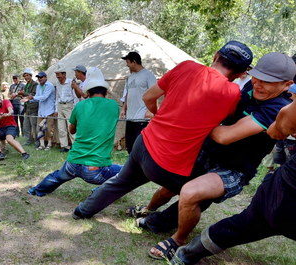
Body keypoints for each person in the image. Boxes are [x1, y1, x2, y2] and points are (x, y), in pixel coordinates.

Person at [71, 41, 253, 223]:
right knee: (200, 194)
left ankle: (82, 211)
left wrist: (160, 115)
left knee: (119, 183)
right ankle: (158, 224)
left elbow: (148, 97)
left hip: (144, 143)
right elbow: (223, 120)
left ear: (215, 55)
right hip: (169, 163)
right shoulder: (232, 93)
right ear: (240, 73)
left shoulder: (186, 67)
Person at [139, 52, 295, 261]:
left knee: (190, 193)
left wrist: (189, 114)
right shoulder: (252, 87)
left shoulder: (276, 108)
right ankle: (149, 212)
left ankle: (178, 239)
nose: (258, 84)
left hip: (234, 169)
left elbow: (224, 136)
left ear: (286, 85)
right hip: (208, 152)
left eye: (268, 82)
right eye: (257, 77)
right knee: (172, 184)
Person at [170, 95, 296, 265]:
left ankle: (185, 251)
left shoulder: (276, 105)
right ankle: (185, 250)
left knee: (246, 223)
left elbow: (279, 127)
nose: (258, 84)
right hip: (285, 189)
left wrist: (201, 121)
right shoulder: (249, 91)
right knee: (245, 224)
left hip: (282, 189)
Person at [28, 67, 122, 197]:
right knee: (125, 172)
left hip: (73, 162)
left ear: (88, 90)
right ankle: (99, 192)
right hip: (95, 169)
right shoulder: (113, 106)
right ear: (105, 90)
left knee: (56, 176)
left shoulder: (80, 106)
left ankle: (36, 190)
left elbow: (71, 129)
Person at [119, 52, 157, 153]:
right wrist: (123, 109)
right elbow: (127, 94)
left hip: (142, 118)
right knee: (130, 146)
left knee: (139, 148)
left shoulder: (148, 75)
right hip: (130, 117)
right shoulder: (130, 77)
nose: (127, 65)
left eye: (128, 62)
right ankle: (133, 167)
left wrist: (150, 111)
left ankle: (141, 168)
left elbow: (155, 94)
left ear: (134, 62)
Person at [0, 93, 29, 161]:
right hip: (1, 128)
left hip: (11, 126)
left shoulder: (6, 101)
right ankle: (0, 153)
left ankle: (24, 153)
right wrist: (3, 115)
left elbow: (10, 109)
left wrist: (9, 113)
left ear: (0, 98)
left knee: (9, 139)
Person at [22, 72, 56, 150]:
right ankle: (42, 145)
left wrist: (32, 97)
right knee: (40, 128)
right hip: (41, 111)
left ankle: (49, 144)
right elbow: (37, 98)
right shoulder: (38, 86)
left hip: (49, 110)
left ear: (45, 77)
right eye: (38, 77)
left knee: (49, 128)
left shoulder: (49, 86)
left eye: (41, 77)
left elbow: (44, 97)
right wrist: (27, 100)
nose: (39, 79)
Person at [55, 64, 77, 152]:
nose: (58, 77)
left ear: (64, 74)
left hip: (69, 105)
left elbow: (75, 96)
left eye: (59, 75)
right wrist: (56, 109)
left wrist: (75, 108)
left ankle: (75, 146)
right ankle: (64, 146)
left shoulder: (71, 82)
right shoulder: (57, 84)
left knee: (70, 126)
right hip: (60, 105)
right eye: (57, 76)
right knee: (61, 127)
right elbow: (57, 96)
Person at [21, 69, 39, 146]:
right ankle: (29, 140)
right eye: (25, 76)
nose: (26, 77)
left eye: (27, 75)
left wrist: (23, 93)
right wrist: (20, 94)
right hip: (26, 108)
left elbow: (33, 94)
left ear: (31, 75)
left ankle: (37, 141)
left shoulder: (35, 84)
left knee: (34, 125)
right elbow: (25, 96)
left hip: (33, 107)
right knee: (26, 125)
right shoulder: (26, 85)